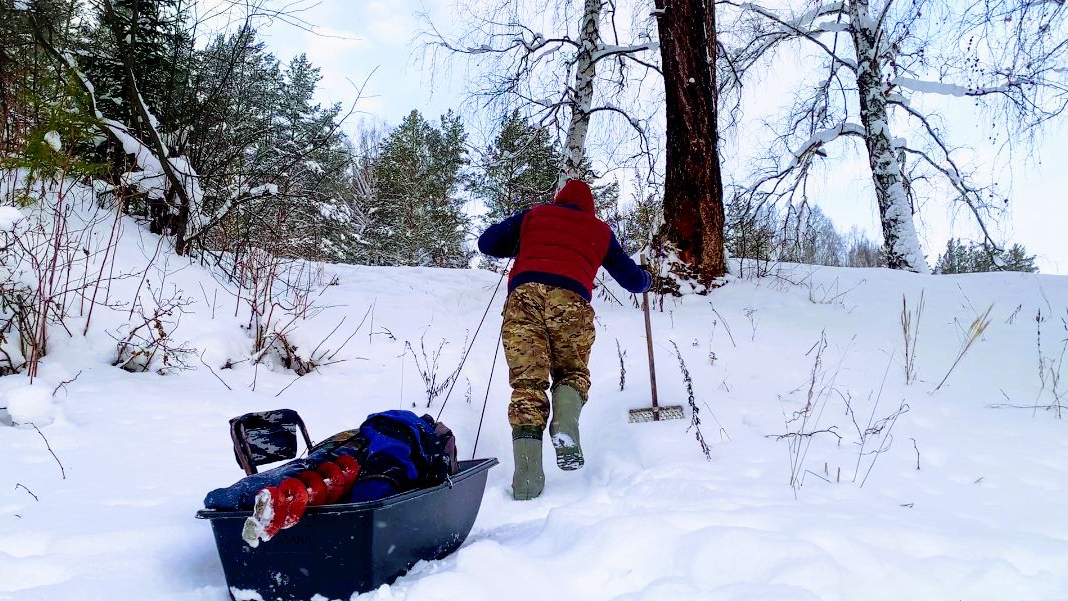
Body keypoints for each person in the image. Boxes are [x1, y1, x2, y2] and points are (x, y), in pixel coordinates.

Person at [478, 179, 652, 500]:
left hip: (523, 297)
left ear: (558, 201)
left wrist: (521, 240)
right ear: (590, 208)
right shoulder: (599, 231)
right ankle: (565, 424)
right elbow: (631, 279)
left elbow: (487, 243)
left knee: (527, 385)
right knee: (572, 372)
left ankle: (527, 483)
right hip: (571, 303)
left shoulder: (534, 215)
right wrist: (647, 279)